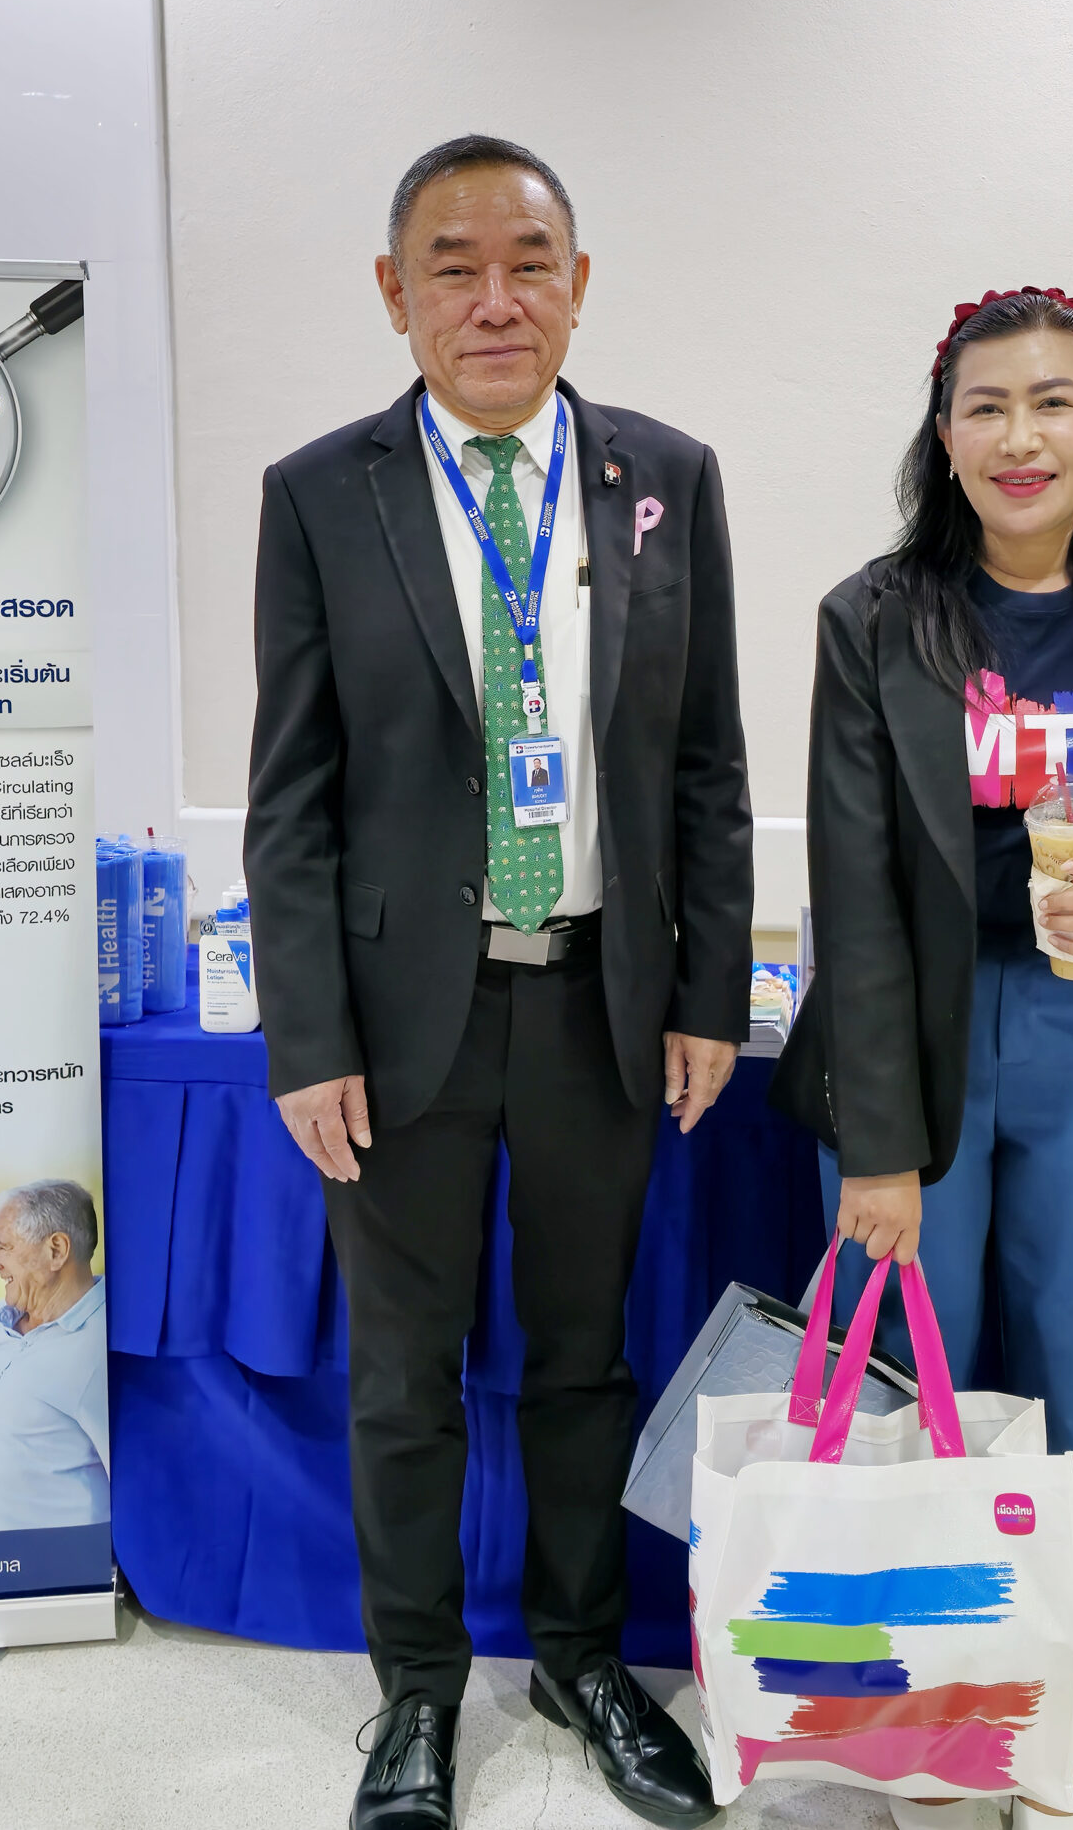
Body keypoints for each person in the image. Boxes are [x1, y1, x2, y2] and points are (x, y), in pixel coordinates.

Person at [245, 133, 751, 1830]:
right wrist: (306, 1033)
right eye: (451, 268)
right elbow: (292, 795)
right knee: (403, 1375)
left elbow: (704, 764)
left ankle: (582, 1659)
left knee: (583, 1359)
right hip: (403, 1017)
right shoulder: (322, 493)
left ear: (579, 284)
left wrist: (707, 989)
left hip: (602, 998)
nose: (493, 300)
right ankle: (414, 1690)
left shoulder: (666, 476)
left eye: (529, 263)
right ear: (394, 295)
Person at [772, 285, 1073, 1830]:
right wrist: (875, 1143)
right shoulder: (874, 618)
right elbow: (855, 890)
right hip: (912, 1033)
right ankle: (931, 1700)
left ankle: (1065, 1689)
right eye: (985, 406)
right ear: (945, 435)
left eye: (1053, 402)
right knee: (914, 1375)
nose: (1020, 436)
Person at [0, 1181, 109, 1531]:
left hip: (61, 1562)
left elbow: (140, 1492)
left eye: (4, 1247)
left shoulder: (103, 1349)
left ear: (56, 1250)